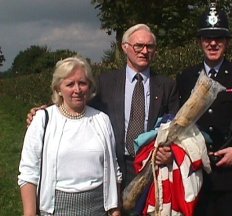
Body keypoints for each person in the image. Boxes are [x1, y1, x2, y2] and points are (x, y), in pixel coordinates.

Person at [26, 24, 179, 215]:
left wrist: (170, 151)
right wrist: (44, 111)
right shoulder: (105, 82)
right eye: (138, 46)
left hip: (151, 167)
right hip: (116, 165)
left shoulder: (167, 85)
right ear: (125, 47)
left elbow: (175, 126)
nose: (144, 51)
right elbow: (75, 98)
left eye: (150, 47)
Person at [177, 3, 232, 216]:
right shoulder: (186, 78)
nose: (213, 43)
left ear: (226, 42)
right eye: (207, 38)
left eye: (219, 38)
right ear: (200, 42)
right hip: (196, 177)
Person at [18, 56, 122, 216]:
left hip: (98, 209)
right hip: (56, 209)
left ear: (89, 86)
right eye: (70, 84)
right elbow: (28, 172)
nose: (77, 90)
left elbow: (113, 170)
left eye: (82, 83)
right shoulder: (43, 119)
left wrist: (115, 211)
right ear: (58, 88)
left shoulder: (102, 119)